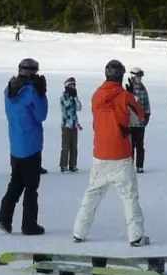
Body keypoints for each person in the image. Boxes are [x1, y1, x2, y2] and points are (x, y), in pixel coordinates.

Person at [73, 60, 149, 246]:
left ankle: (79, 232)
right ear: (121, 76)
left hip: (100, 152)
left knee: (92, 194)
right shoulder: (125, 96)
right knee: (129, 196)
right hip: (121, 154)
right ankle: (136, 236)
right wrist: (129, 96)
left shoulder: (97, 95)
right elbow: (139, 117)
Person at [0, 58, 47, 235]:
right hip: (31, 144)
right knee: (31, 186)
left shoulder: (9, 89)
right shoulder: (31, 92)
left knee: (15, 182)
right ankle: (29, 224)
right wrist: (42, 95)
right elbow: (42, 115)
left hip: (16, 143)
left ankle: (4, 219)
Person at [126, 68, 151, 171]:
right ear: (133, 77)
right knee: (130, 146)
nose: (140, 79)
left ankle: (140, 166)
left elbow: (146, 104)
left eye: (141, 77)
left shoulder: (143, 89)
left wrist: (147, 115)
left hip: (140, 123)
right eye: (138, 77)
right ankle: (129, 165)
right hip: (131, 123)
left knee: (140, 145)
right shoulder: (128, 89)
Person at [58, 77, 82, 173]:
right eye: (71, 85)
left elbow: (79, 107)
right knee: (65, 146)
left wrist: (76, 98)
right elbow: (67, 106)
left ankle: (73, 165)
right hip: (66, 125)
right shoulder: (64, 97)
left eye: (74, 85)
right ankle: (63, 165)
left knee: (74, 146)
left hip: (74, 125)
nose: (73, 87)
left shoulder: (74, 96)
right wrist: (72, 97)